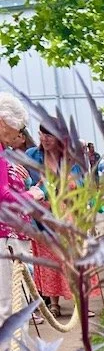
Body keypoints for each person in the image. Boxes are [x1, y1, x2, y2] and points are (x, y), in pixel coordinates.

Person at [28, 125, 85, 318]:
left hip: (67, 216)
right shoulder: (32, 155)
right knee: (49, 260)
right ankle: (54, 304)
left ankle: (79, 303)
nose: (44, 138)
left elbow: (81, 184)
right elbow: (25, 181)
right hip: (43, 217)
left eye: (49, 135)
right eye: (42, 134)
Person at [0, 92, 31, 324]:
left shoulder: (5, 153)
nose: (18, 134)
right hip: (5, 236)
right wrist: (33, 196)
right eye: (16, 127)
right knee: (9, 305)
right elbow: (2, 194)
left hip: (14, 233)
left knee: (18, 303)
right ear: (2, 122)